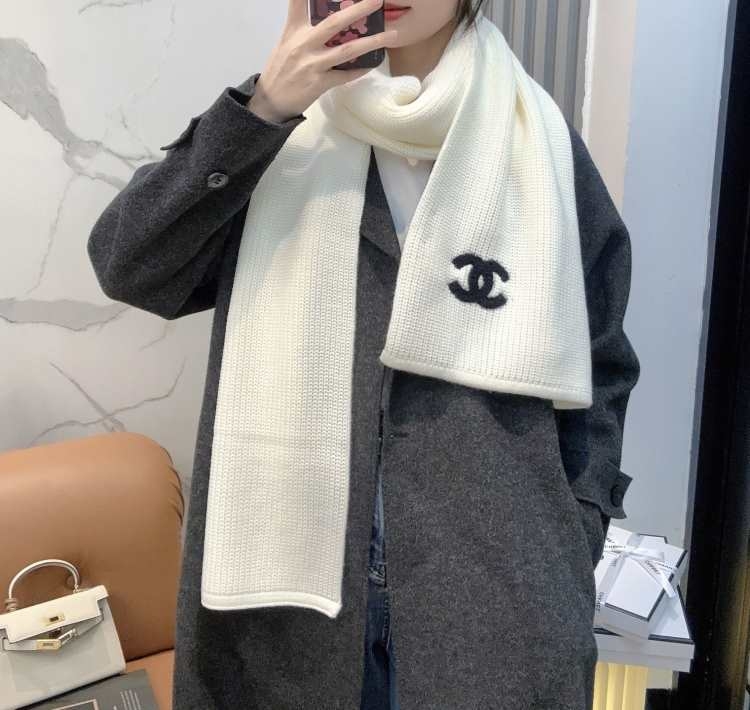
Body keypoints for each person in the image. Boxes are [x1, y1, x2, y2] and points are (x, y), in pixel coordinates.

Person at [87, 1, 640, 708]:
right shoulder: (281, 134)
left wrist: (574, 529)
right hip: (287, 615)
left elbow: (603, 360)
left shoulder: (540, 143)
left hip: (497, 601)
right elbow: (131, 266)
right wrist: (264, 107)